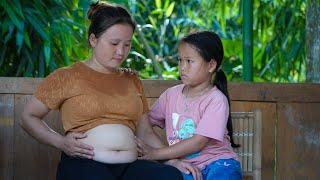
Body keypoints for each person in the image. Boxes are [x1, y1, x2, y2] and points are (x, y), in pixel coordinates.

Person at [20, 2, 182, 180]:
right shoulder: (66, 76)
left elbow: (145, 132)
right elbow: (28, 117)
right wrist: (61, 142)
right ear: (93, 40)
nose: (121, 51)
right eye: (114, 43)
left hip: (130, 166)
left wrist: (171, 161)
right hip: (84, 165)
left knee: (170, 176)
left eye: (127, 44)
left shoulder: (132, 80)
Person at [136, 31, 242, 180]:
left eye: (189, 61)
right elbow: (144, 123)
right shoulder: (170, 95)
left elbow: (198, 142)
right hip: (184, 166)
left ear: (211, 65)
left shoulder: (216, 100)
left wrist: (155, 153)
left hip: (219, 163)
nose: (182, 67)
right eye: (180, 60)